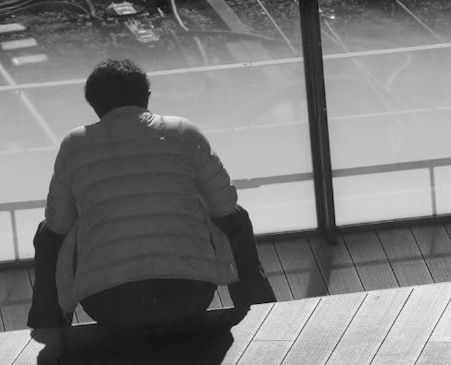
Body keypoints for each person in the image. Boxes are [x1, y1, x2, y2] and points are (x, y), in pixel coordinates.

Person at [29, 58, 271, 347]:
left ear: (93, 104)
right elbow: (225, 205)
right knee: (236, 216)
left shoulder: (75, 144)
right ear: (146, 96)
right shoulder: (183, 132)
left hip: (110, 304)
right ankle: (259, 307)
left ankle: (49, 326)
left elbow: (58, 223)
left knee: (48, 232)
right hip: (188, 297)